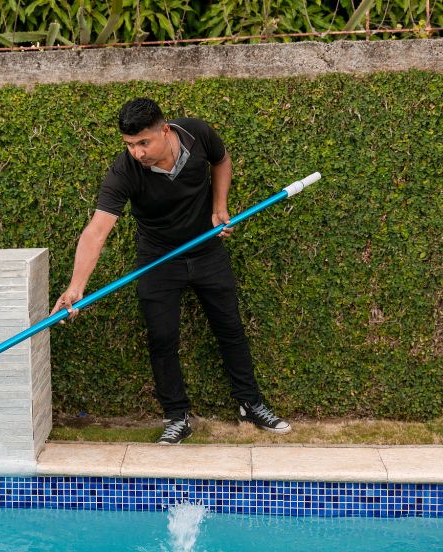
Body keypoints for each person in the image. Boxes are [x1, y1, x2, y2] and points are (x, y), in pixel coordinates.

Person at [52, 97, 291, 444]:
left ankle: (250, 403)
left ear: (164, 131)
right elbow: (96, 231)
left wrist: (219, 207)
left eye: (143, 143)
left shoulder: (196, 133)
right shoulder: (125, 171)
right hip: (158, 259)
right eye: (130, 145)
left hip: (207, 250)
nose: (137, 152)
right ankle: (177, 417)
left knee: (230, 329)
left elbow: (221, 160)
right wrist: (76, 287)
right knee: (162, 339)